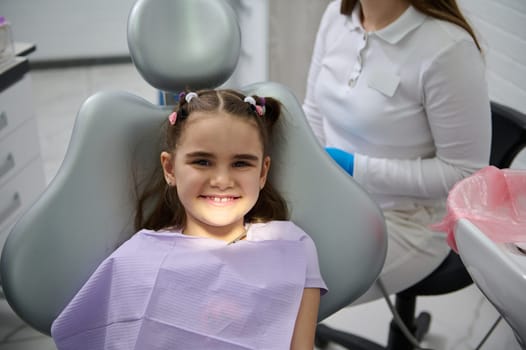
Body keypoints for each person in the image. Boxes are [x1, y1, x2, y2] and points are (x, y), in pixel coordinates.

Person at [51, 89, 328, 349]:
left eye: (241, 163)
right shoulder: (136, 262)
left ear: (263, 172)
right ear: (170, 168)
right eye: (202, 162)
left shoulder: (292, 249)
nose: (222, 180)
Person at [303, 0, 491, 304]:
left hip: (409, 220)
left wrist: (356, 168)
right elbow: (313, 112)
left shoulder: (447, 48)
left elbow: (465, 175)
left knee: (289, 293)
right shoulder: (338, 15)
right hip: (334, 196)